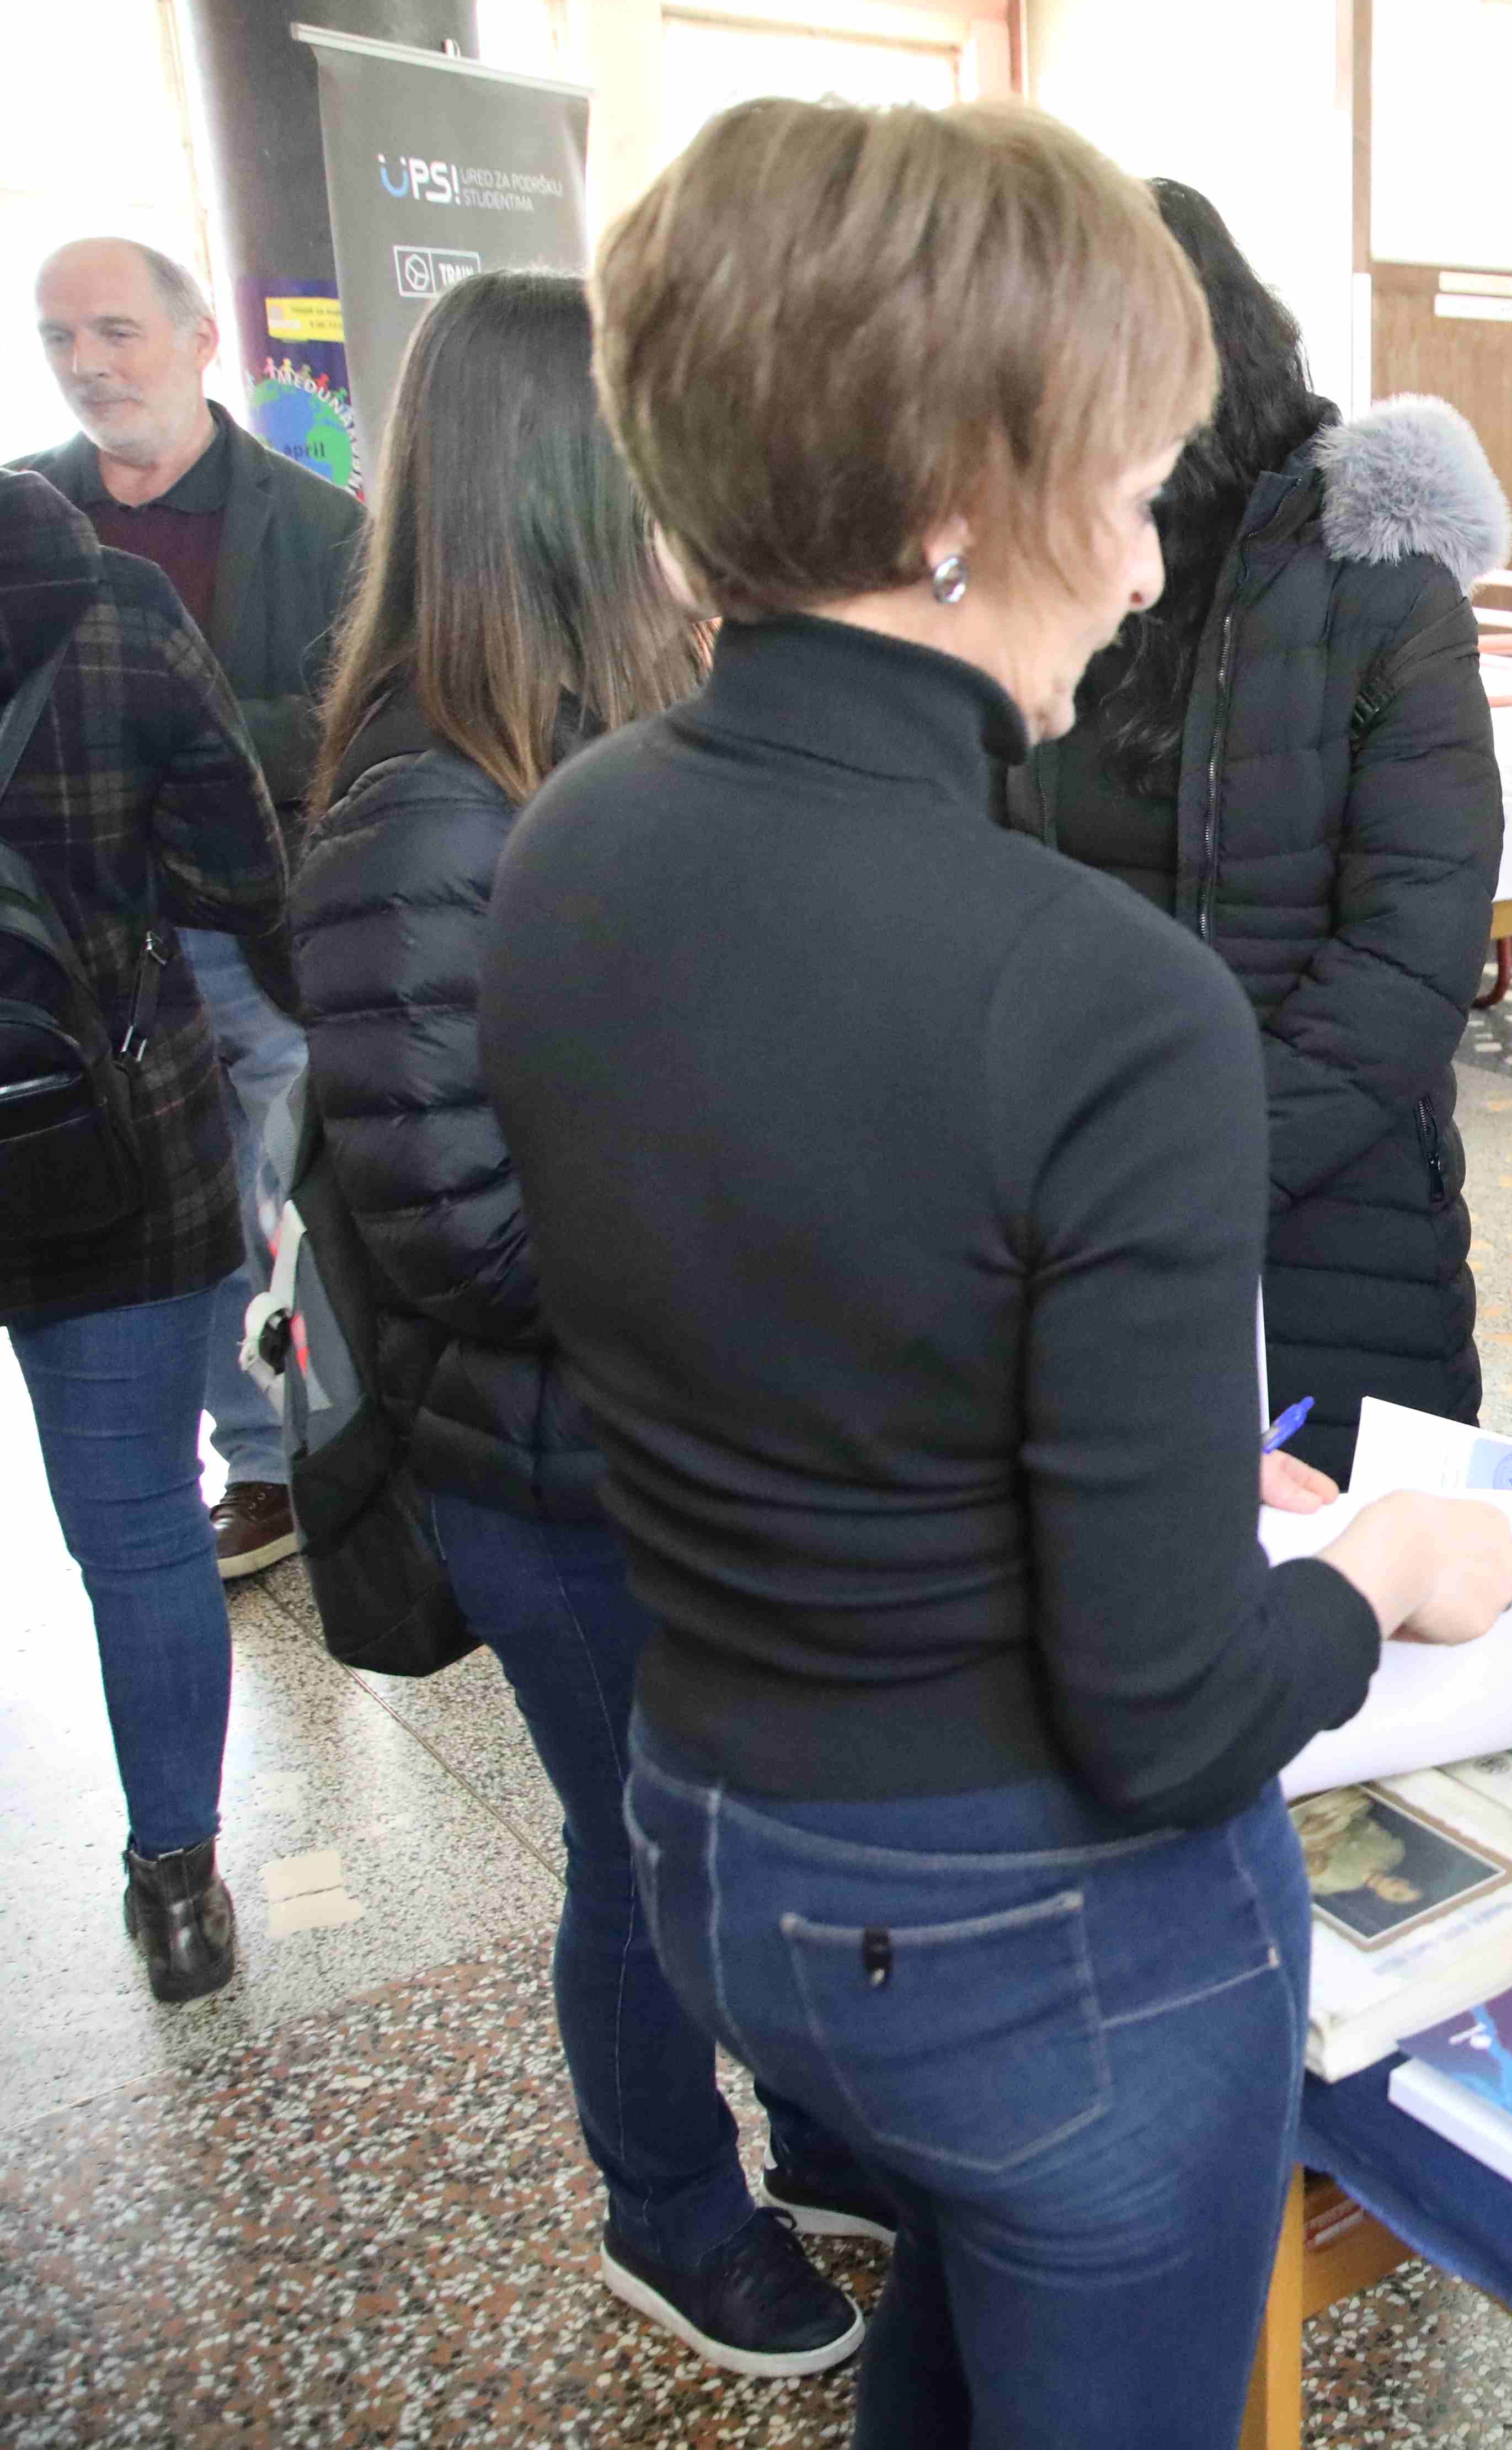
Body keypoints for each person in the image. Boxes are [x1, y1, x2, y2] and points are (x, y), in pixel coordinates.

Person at [480, 99, 1512, 2446]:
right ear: (965, 497)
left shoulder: (577, 841)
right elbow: (1169, 1714)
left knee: (952, 2344)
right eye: (1128, 493)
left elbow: (820, 1335)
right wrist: (1378, 1573)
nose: (1144, 572)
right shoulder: (1100, 996)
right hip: (1034, 1921)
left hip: (718, 1833)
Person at [289, 268, 886, 2379]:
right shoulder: (425, 807)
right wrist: (743, 1245)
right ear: (555, 484)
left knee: (751, 1828)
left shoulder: (605, 750)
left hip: (679, 1436)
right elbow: (453, 1226)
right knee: (646, 1863)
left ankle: (820, 2135)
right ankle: (670, 2212)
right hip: (549, 1472)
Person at [1015, 180, 1507, 1480]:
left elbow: (1412, 955)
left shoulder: (1378, 586)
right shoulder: (1038, 578)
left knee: (1344, 1574)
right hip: (1074, 1214)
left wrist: (1191, 1173)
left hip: (1329, 1221)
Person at [26, 238, 366, 1578]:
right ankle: (240, 1466)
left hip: (252, 931)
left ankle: (336, 1452)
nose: (87, 363)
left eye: (115, 330)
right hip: (82, 953)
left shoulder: (321, 527)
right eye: (59, 338)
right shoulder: (22, 518)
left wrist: (180, 733)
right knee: (146, 1216)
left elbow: (353, 713)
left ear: (200, 336)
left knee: (288, 1203)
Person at [0, 463, 278, 2001]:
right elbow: (239, 872)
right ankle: (178, 1887)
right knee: (143, 1528)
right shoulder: (120, 608)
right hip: (115, 1132)